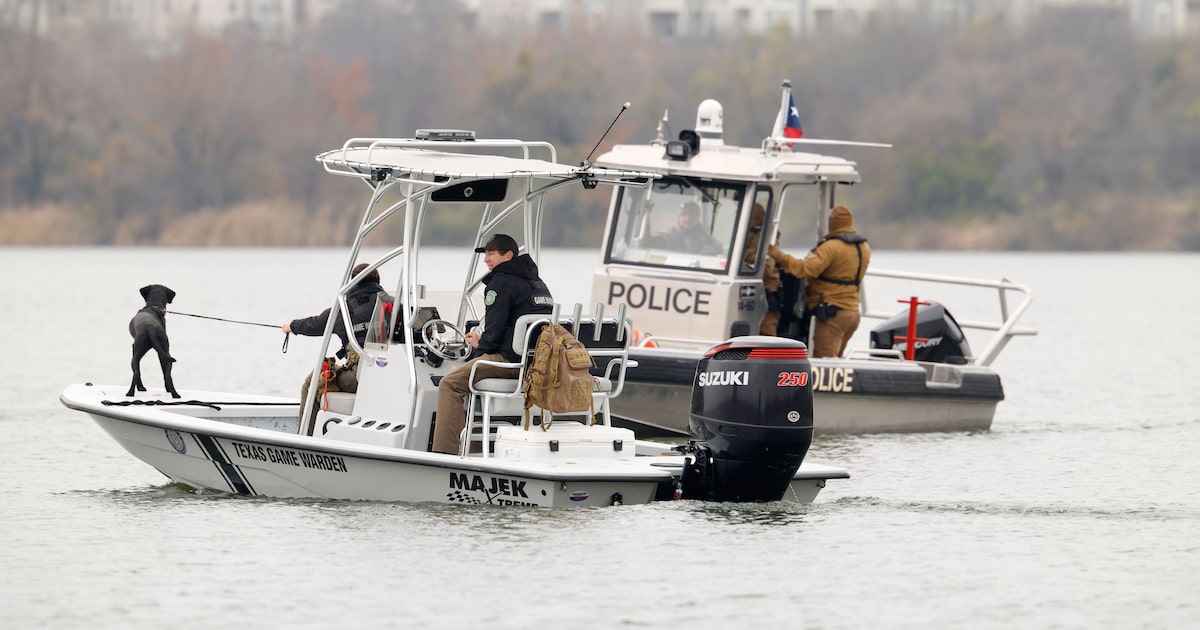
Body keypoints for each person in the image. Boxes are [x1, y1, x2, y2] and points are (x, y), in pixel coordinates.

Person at [432, 234, 554, 455]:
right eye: (485, 254)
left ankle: (445, 453)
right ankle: (477, 448)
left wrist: (477, 348)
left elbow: (494, 331)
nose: (486, 260)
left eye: (491, 254)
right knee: (472, 378)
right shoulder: (538, 283)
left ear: (508, 255)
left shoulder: (500, 283)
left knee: (450, 383)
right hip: (537, 364)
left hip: (509, 363)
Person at [283, 263, 388, 430]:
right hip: (389, 376)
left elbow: (315, 324)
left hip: (358, 379)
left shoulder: (343, 311)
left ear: (353, 282)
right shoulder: (393, 306)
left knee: (312, 383)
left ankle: (306, 438)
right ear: (377, 281)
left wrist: (291, 326)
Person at [769, 205, 871, 358]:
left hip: (833, 314)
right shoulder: (864, 247)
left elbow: (804, 269)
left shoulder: (831, 248)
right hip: (852, 313)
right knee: (837, 358)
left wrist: (777, 255)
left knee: (824, 359)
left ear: (833, 224)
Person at [742, 202, 782, 335]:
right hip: (748, 288)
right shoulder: (743, 235)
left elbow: (766, 266)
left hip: (765, 290)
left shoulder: (768, 238)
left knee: (766, 330)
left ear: (758, 219)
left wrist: (746, 256)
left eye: (749, 216)